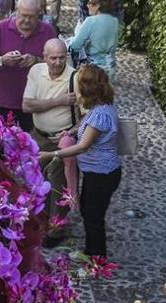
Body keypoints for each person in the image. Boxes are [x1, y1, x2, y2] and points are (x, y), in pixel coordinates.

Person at [42, 64, 120, 257]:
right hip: (96, 173)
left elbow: (83, 146)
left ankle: (97, 259)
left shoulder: (100, 114)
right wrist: (70, 131)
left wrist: (50, 155)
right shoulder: (100, 106)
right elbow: (85, 125)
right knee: (87, 212)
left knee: (94, 218)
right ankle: (90, 251)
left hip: (102, 174)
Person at [23, 39, 77, 248]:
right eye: (53, 58)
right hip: (38, 136)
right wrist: (58, 101)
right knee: (35, 179)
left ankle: (56, 230)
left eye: (61, 57)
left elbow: (84, 116)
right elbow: (27, 105)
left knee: (58, 184)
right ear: (44, 56)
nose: (57, 62)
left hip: (60, 141)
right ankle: (38, 222)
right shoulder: (36, 71)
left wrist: (69, 132)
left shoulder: (74, 77)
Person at [0, 0, 56, 130]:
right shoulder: (2, 27)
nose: (26, 20)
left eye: (31, 17)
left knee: (28, 146)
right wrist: (1, 60)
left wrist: (36, 61)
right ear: (16, 11)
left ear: (39, 14)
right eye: (23, 15)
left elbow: (58, 63)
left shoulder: (47, 31)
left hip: (34, 103)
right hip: (2, 101)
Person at [66, 0, 120, 81]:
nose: (87, 5)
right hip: (110, 67)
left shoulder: (91, 21)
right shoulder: (115, 21)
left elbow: (76, 45)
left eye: (90, 3)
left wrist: (68, 41)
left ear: (97, 6)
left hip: (93, 70)